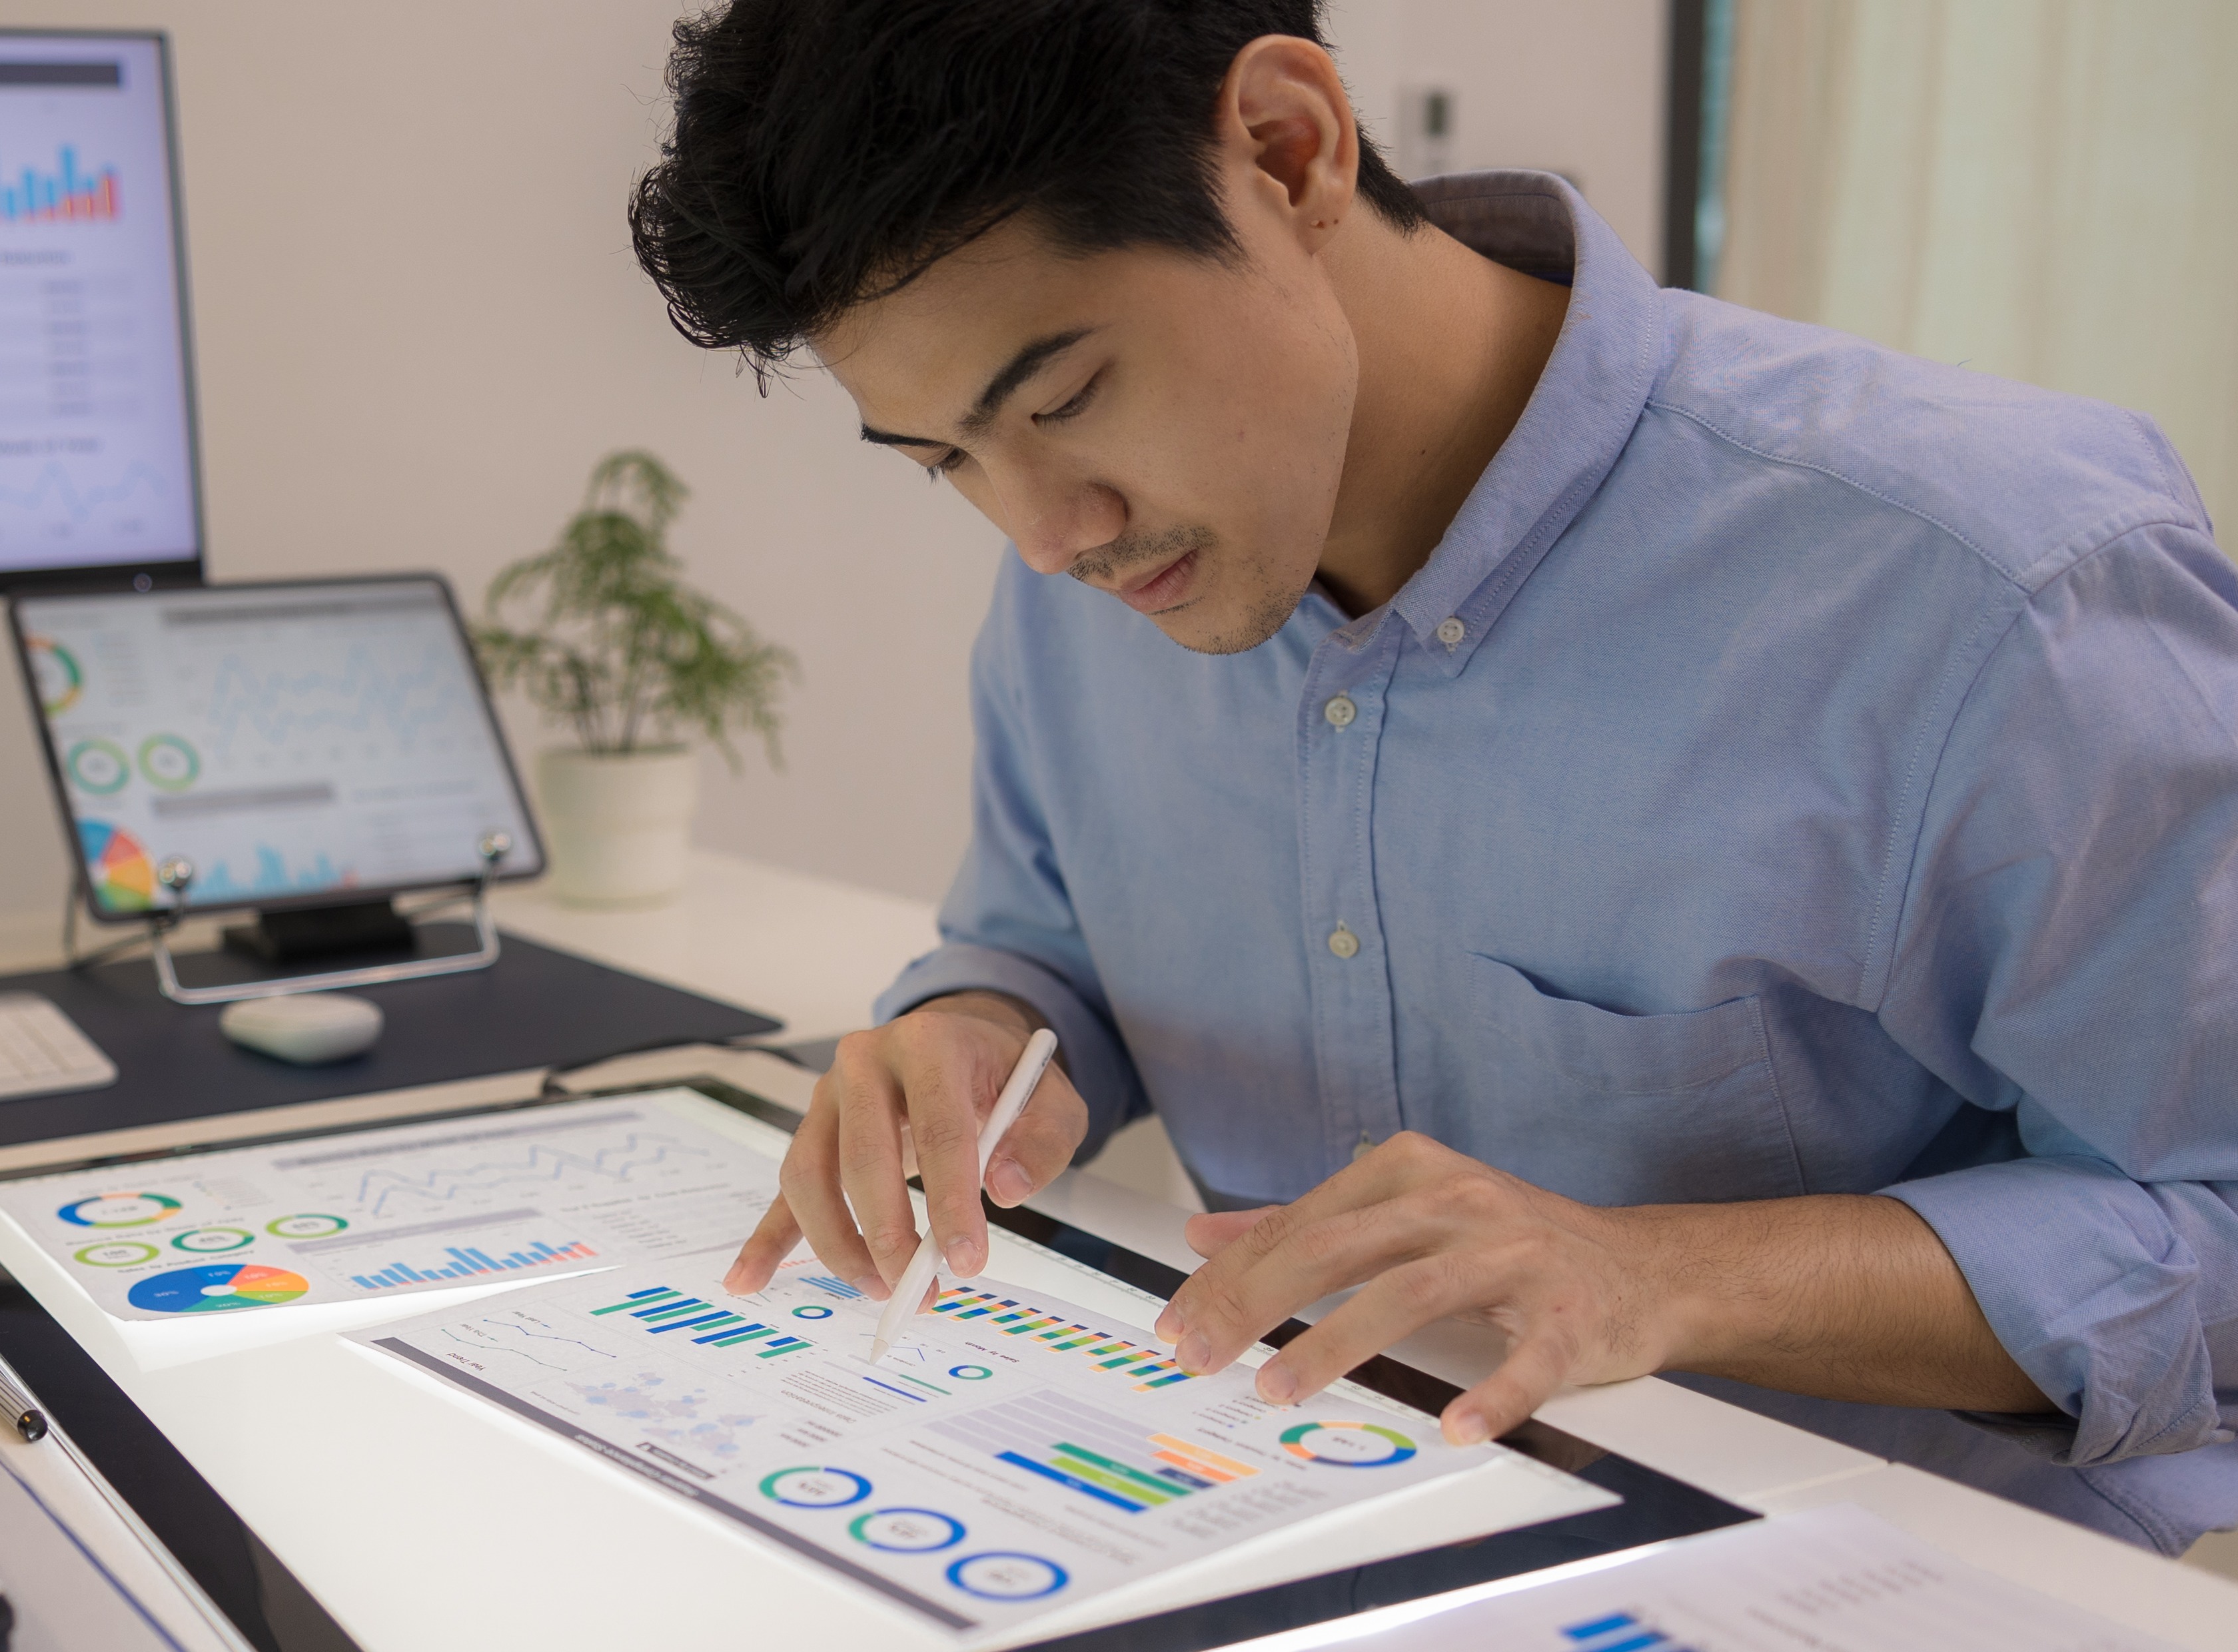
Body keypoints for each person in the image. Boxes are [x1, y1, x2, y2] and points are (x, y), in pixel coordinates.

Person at [632, 0, 2238, 1552]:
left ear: (1290, 150)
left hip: (1864, 1574)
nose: (1047, 534)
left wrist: (1661, 1276)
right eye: (948, 461)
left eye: (1062, 399)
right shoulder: (1102, 573)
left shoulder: (1993, 583)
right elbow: (1047, 937)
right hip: (1274, 1521)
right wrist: (978, 1028)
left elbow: (2215, 1211)